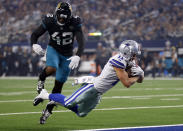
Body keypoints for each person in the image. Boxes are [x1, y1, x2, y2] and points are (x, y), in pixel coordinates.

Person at [34, 40, 144, 124]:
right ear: (127, 53)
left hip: (98, 93)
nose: (135, 56)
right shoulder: (118, 62)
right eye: (134, 54)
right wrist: (139, 75)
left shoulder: (127, 61)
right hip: (92, 87)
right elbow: (127, 83)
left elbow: (138, 80)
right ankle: (45, 94)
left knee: (81, 113)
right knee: (69, 102)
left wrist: (140, 75)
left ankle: (55, 101)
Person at [31, 1, 85, 118]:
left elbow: (81, 41)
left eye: (64, 18)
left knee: (59, 84)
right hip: (53, 49)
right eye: (59, 17)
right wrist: (34, 44)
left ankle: (48, 109)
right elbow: (35, 34)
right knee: (52, 68)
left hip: (67, 54)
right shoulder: (49, 20)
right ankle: (41, 79)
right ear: (56, 14)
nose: (61, 20)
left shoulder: (75, 22)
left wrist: (77, 55)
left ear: (69, 17)